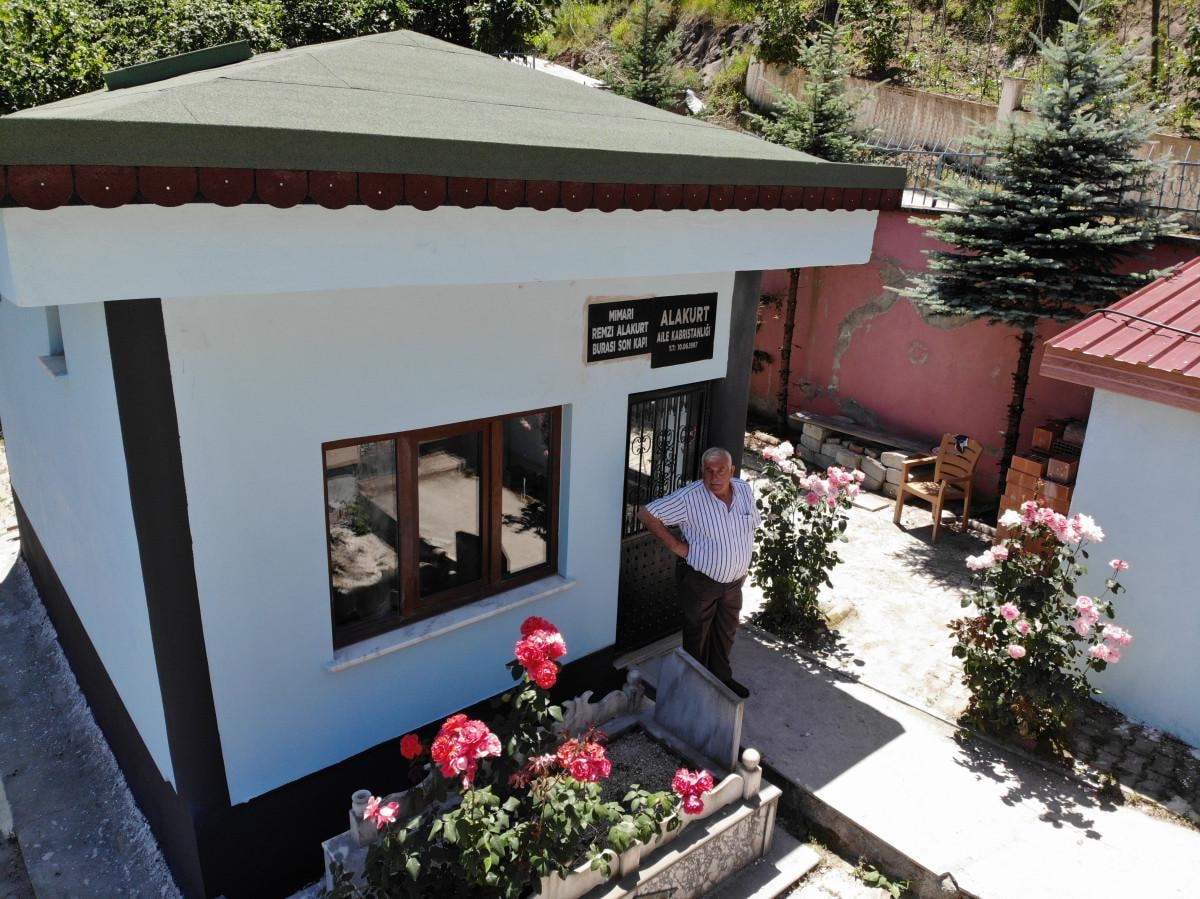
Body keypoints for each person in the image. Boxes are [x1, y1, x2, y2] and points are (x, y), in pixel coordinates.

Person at [636, 446, 759, 698]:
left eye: (721, 470)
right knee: (697, 635)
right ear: (702, 472)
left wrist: (741, 566)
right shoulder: (689, 498)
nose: (714, 476)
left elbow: (750, 527)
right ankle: (694, 689)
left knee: (726, 631)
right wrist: (676, 546)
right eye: (708, 470)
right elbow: (647, 514)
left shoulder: (744, 490)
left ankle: (721, 678)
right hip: (702, 580)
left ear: (732, 471)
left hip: (734, 581)